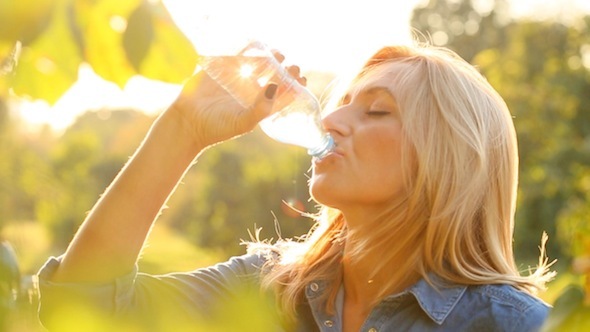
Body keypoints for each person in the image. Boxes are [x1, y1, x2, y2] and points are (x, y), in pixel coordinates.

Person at [37, 42, 555, 331]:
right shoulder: (268, 286)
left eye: (376, 111)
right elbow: (82, 310)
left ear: (449, 159)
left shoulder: (515, 327)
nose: (331, 122)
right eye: (342, 104)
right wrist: (182, 129)